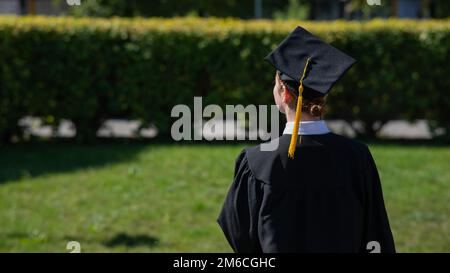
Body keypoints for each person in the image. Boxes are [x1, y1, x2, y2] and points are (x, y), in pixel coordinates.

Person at [217, 26, 395, 253]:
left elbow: (240, 237)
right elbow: (376, 236)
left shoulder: (256, 163)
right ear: (325, 95)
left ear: (284, 92)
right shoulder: (356, 158)